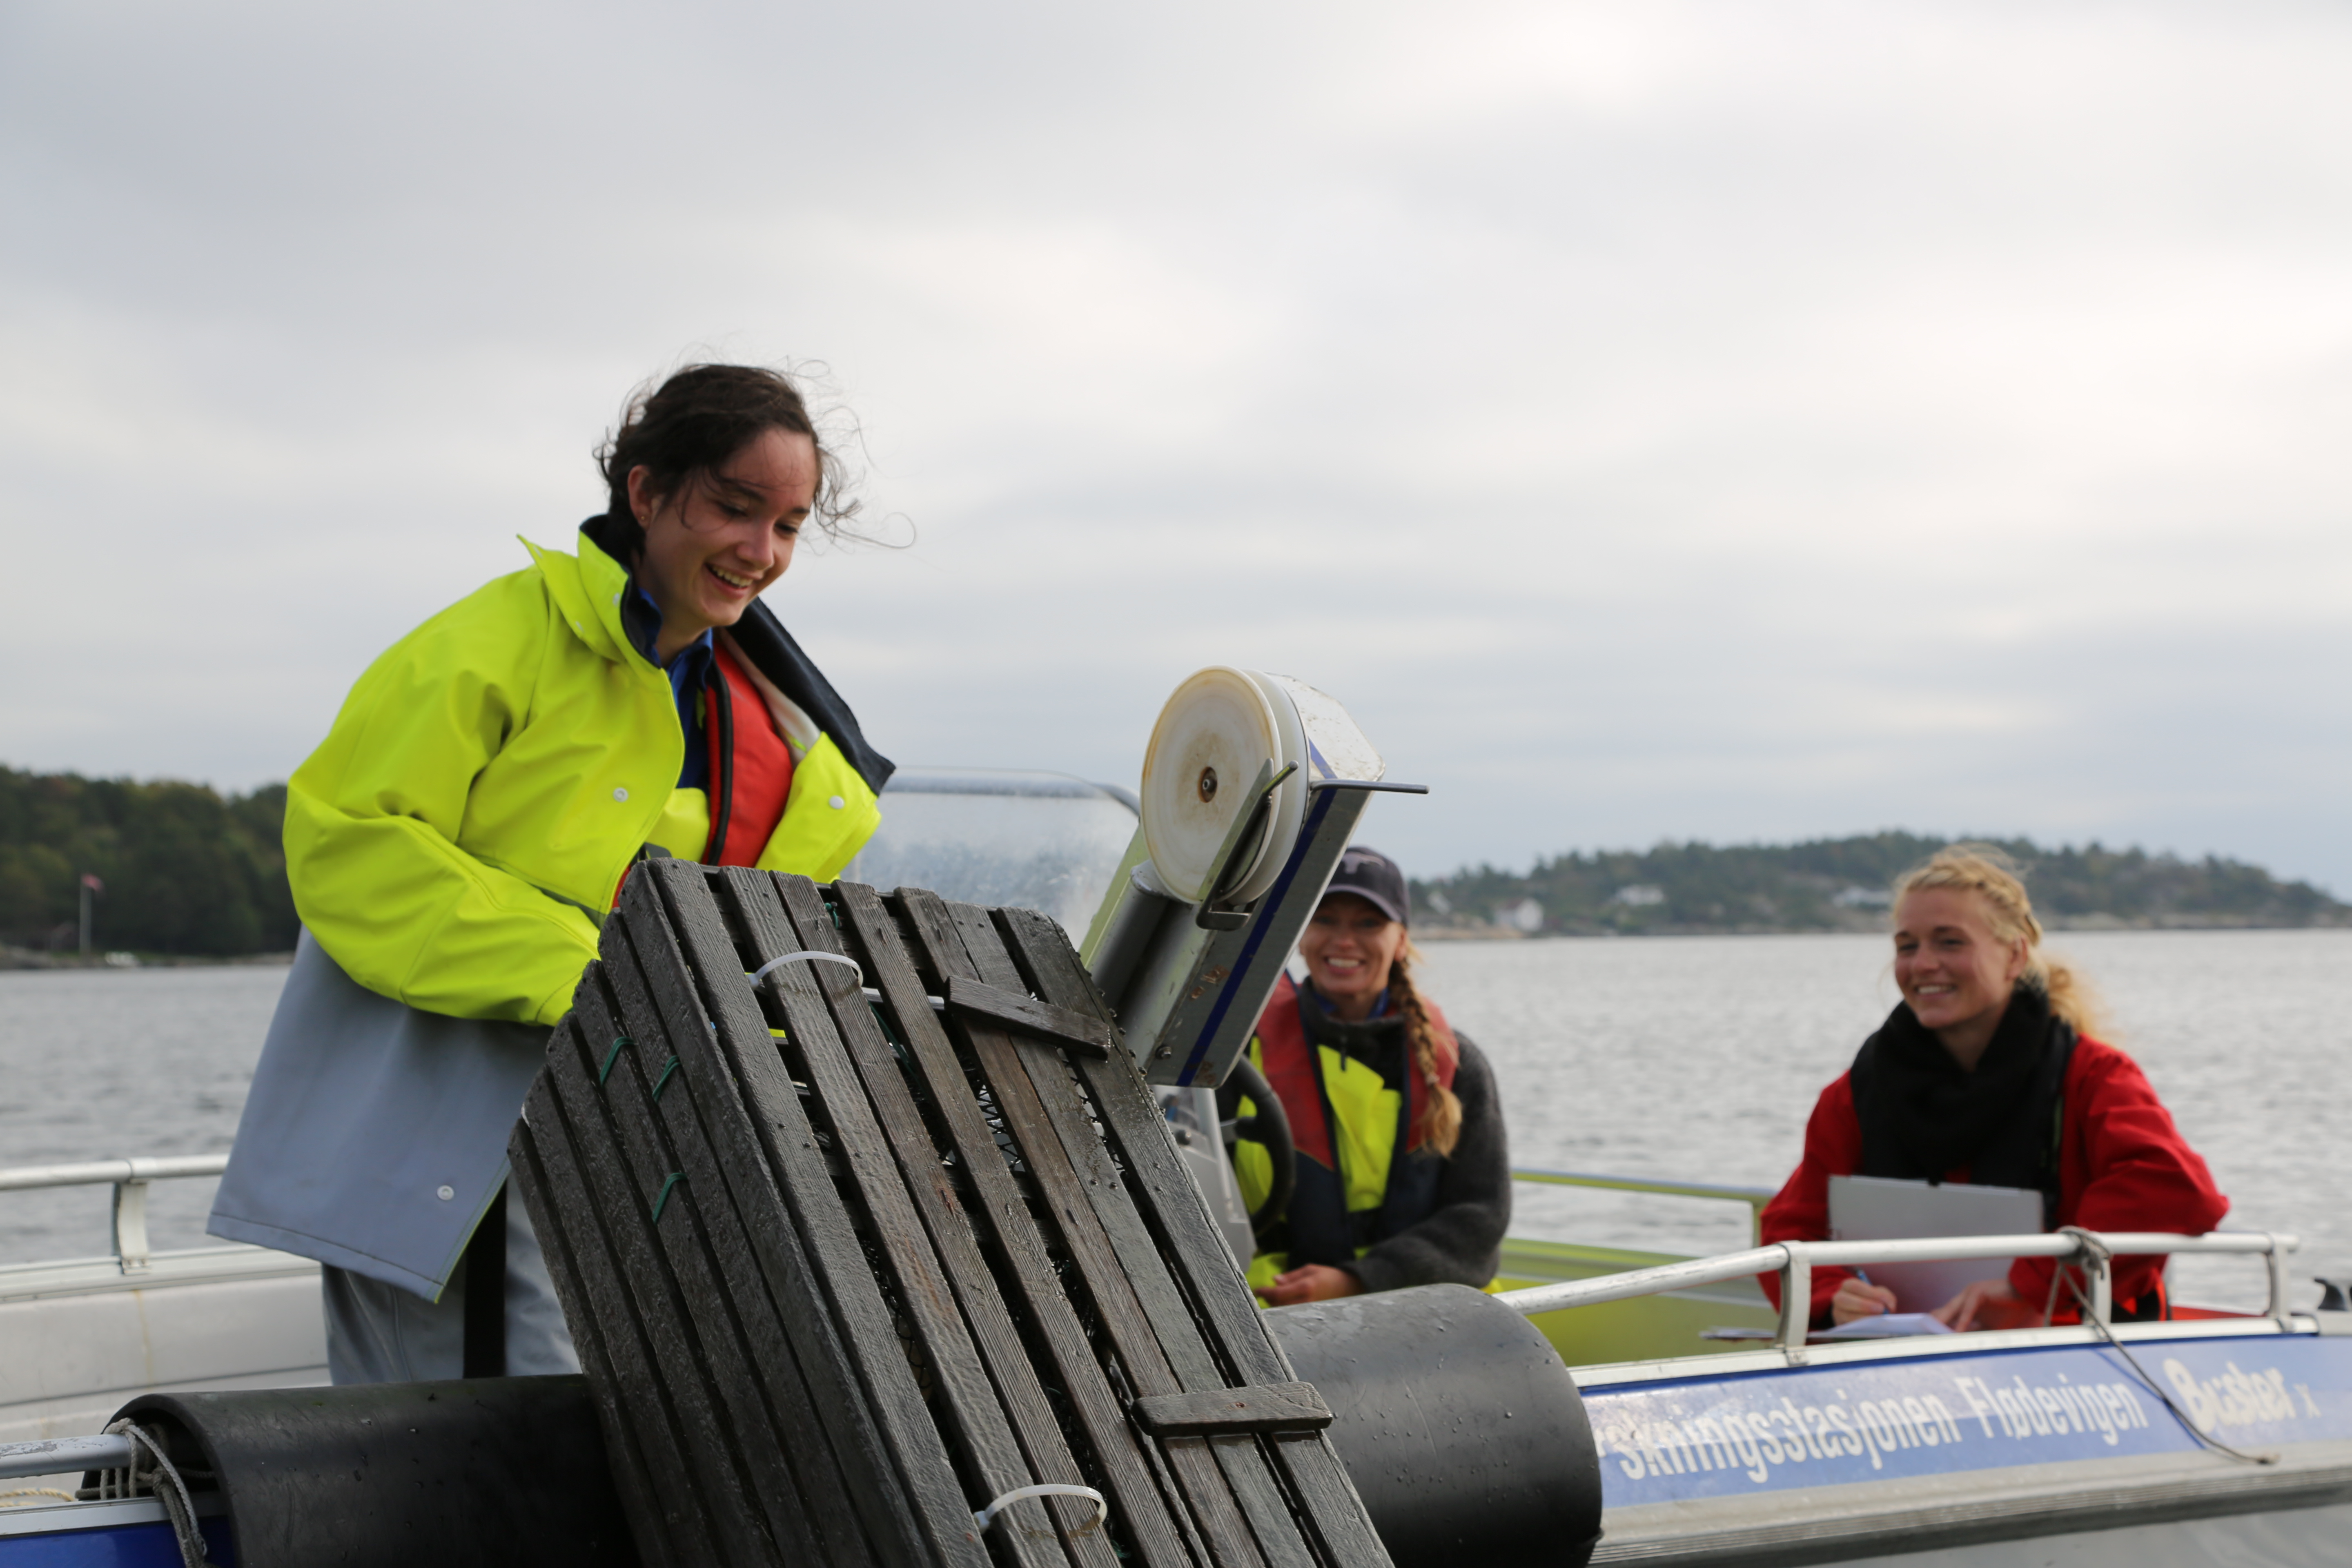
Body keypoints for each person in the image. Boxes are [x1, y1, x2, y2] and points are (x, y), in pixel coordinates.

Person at [209, 363, 893, 1382]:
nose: (760, 551)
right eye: (733, 508)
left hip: (630, 1164)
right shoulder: (492, 642)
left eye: (788, 525)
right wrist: (597, 975)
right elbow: (347, 840)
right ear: (648, 493)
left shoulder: (778, 735)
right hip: (445, 1162)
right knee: (454, 1481)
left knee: (576, 1459)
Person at [1760, 846, 2225, 1332]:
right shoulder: (1855, 1094)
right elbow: (1793, 1227)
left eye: (1950, 943)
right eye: (1907, 946)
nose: (1923, 964)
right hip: (1900, 1358)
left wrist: (2030, 1284)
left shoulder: (2092, 1076)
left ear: (2015, 956)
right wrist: (1835, 1296)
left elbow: (2177, 1190)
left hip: (2071, 1360)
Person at [1223, 846, 1510, 1306]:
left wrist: (1359, 1281)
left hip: (1431, 1312)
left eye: (1368, 924)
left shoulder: (1459, 1065)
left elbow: (1480, 1219)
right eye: (1325, 919)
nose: (1344, 941)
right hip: (1275, 1312)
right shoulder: (1234, 1058)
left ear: (1401, 940)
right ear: (1299, 934)